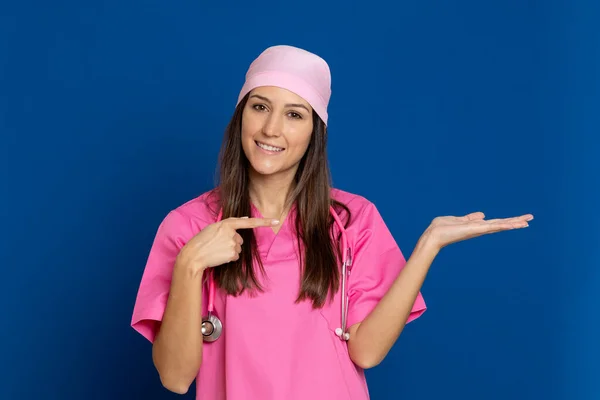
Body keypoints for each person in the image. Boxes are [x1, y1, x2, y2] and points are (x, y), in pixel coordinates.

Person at [130, 45, 533, 400]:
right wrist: (189, 267)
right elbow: (175, 378)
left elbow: (367, 352)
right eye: (260, 107)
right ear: (240, 117)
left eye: (294, 114)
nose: (272, 129)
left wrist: (428, 246)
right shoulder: (188, 225)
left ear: (314, 132)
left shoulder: (352, 221)